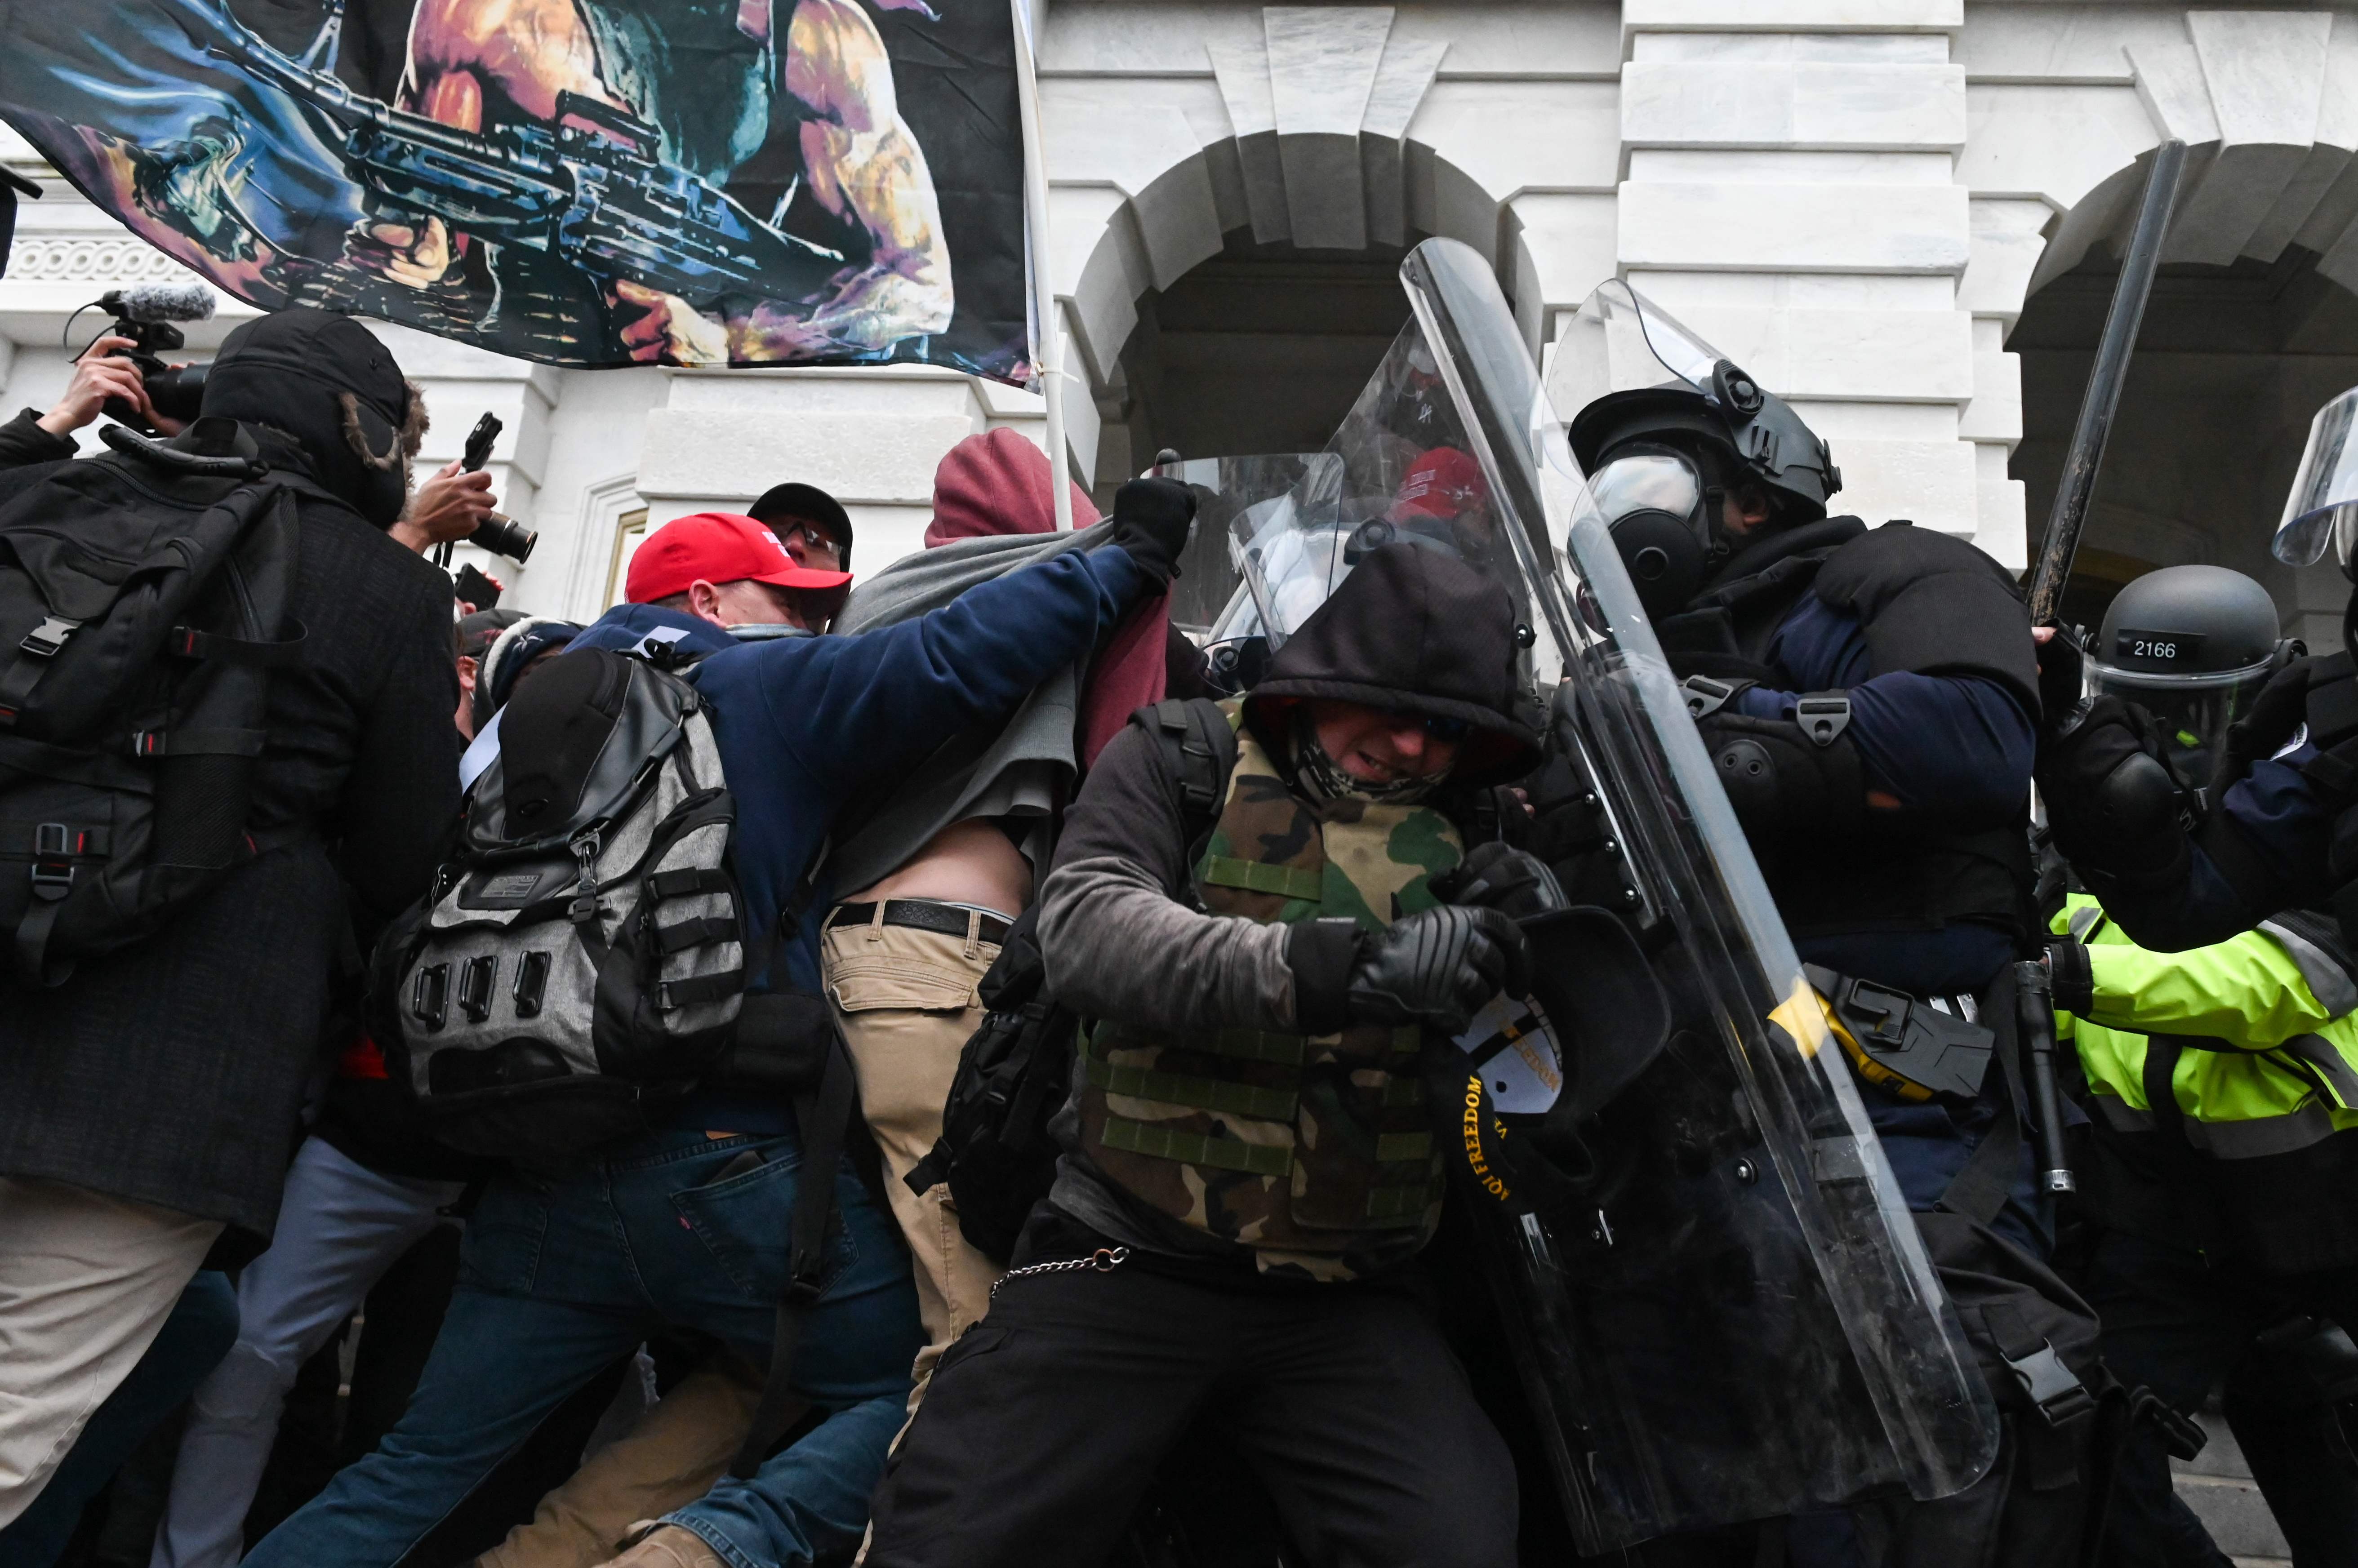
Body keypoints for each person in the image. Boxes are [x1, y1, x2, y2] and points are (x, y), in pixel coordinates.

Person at [244, 483, 1193, 1568]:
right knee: (948, 1367)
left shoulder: (518, 728)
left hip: (536, 1170)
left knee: (410, 1470)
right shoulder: (748, 684)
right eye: (785, 599)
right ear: (708, 597)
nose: (810, 623)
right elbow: (955, 657)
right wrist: (1128, 557)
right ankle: (705, 1550)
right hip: (725, 1159)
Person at [864, 541, 1548, 1568]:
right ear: (1319, 682)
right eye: (1384, 707)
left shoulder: (1473, 824)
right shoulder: (1182, 759)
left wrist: (1524, 954)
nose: (1408, 745)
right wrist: (1343, 969)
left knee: (1454, 1539)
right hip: (1129, 1252)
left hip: (1349, 1291)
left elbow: (1534, 1065)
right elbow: (1090, 930)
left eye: (1446, 729)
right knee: (956, 1538)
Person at [1559, 284, 2087, 1558]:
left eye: (1651, 477)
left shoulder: (1890, 572)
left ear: (1754, 491)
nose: (1619, 511)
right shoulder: (1611, 674)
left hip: (1901, 1074)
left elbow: (1967, 732)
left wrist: (1730, 747)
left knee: (1888, 1446)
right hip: (1687, 1114)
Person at [0, 307, 462, 1527]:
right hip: (171, 1076)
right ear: (354, 433)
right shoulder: (380, 586)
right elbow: (404, 847)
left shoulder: (58, 499)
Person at [819, 428, 1168, 1414]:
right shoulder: (998, 603)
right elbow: (1116, 757)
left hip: (879, 970)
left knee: (861, 1343)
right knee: (982, 1347)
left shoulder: (887, 607)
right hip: (939, 969)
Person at [357, 0, 951, 364]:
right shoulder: (492, 15)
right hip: (538, 351)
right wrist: (431, 258)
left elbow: (920, 287)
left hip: (717, 378)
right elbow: (434, 264)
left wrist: (740, 343)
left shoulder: (819, 40)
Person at [2047, 894, 2358, 1564]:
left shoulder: (2306, 840)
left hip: (2335, 1209)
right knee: (2092, 1435)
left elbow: (2270, 984)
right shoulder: (2079, 895)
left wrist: (2075, 976)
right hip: (2176, 1230)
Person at [2036, 566, 2309, 953]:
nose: (2157, 749)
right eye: (2132, 710)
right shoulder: (2083, 828)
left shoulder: (2304, 812)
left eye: (2190, 721)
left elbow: (2280, 972)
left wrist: (2057, 974)